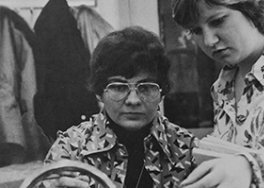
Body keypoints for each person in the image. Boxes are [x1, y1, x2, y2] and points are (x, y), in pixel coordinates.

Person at [172, 0, 264, 188]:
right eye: (197, 31)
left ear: (251, 7)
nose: (209, 41)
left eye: (218, 21)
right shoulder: (221, 86)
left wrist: (249, 166)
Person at [41, 26, 195, 188]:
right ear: (99, 93)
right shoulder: (70, 150)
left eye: (146, 87)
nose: (133, 100)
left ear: (161, 92)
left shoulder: (186, 149)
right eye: (119, 87)